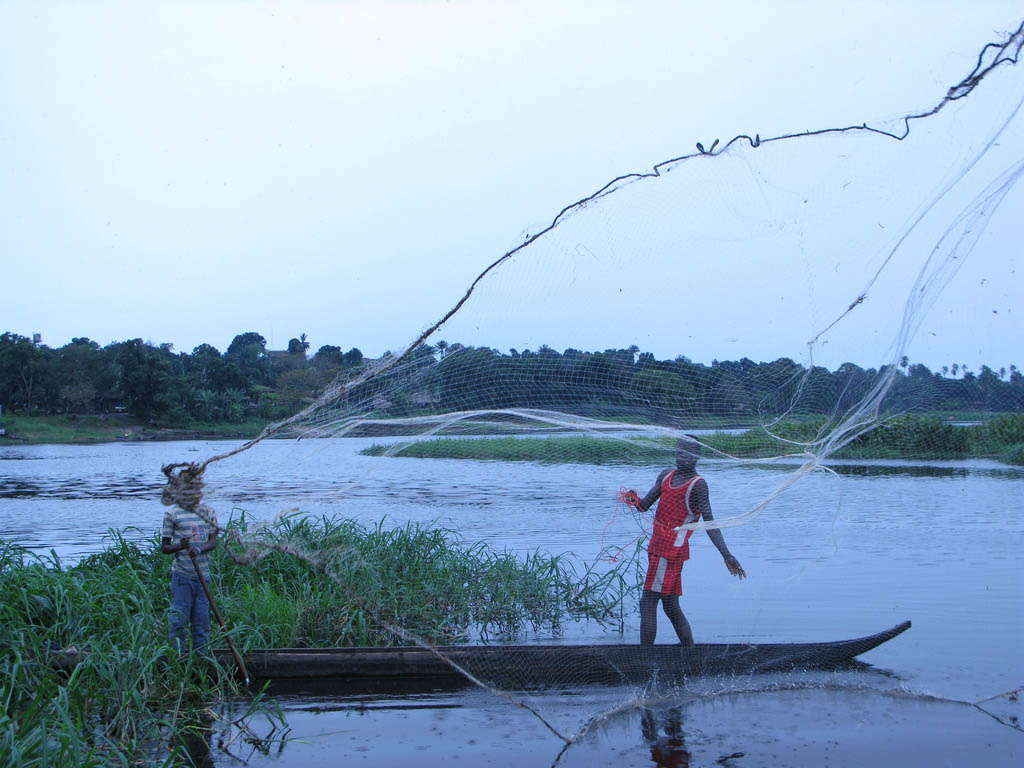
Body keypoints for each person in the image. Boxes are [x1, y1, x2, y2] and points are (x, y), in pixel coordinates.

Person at [624, 435, 745, 646]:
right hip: (658, 547)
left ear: (698, 456)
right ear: (676, 452)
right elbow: (644, 506)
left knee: (648, 602)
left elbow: (709, 522)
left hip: (670, 551)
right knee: (670, 605)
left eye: (690, 452)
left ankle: (645, 656)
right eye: (681, 450)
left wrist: (726, 555)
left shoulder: (698, 485)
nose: (684, 455)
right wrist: (633, 500)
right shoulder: (666, 476)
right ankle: (690, 651)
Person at [160, 463, 219, 655]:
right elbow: (165, 547)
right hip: (182, 578)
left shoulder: (208, 512)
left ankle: (201, 659)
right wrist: (181, 545)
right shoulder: (172, 514)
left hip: (203, 577)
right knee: (179, 620)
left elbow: (213, 541)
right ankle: (178, 658)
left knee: (202, 621)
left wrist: (199, 549)